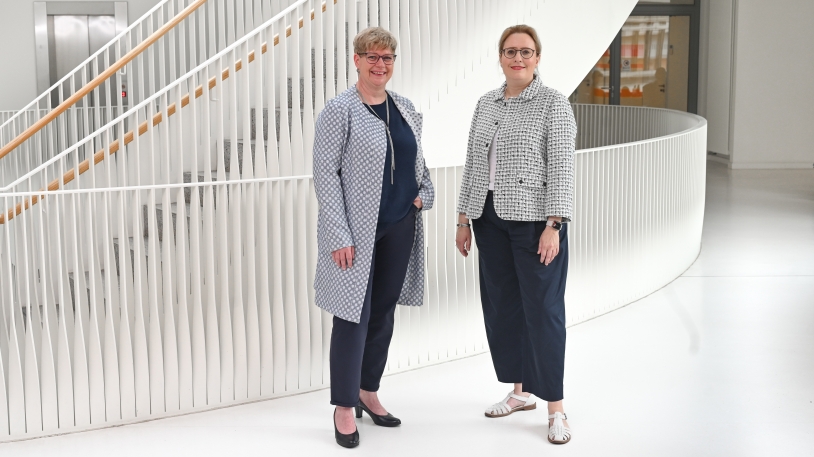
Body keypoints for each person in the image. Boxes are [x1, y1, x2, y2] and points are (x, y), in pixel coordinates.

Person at [312, 26, 434, 449]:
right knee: (352, 317)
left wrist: (421, 198)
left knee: (382, 312)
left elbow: (418, 160)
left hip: (400, 226)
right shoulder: (339, 109)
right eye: (372, 56)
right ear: (357, 60)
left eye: (387, 58)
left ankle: (368, 390)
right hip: (356, 233)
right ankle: (344, 406)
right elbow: (325, 175)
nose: (380, 65)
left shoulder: (404, 107)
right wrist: (339, 233)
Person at [454, 24, 577, 445]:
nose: (518, 58)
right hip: (489, 220)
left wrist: (554, 225)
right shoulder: (486, 103)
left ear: (538, 58)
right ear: (501, 57)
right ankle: (520, 393)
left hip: (535, 224)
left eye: (526, 52)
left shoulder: (553, 105)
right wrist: (464, 218)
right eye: (510, 51)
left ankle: (556, 408)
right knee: (504, 307)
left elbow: (562, 167)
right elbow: (473, 163)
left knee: (543, 311)